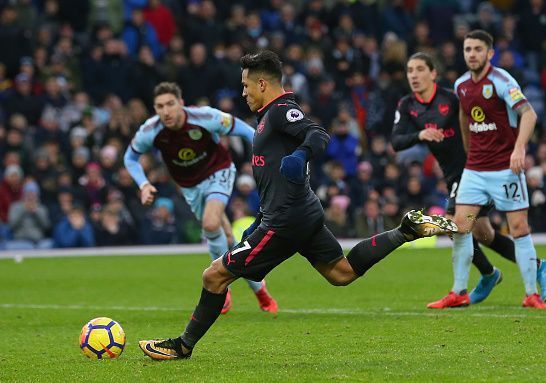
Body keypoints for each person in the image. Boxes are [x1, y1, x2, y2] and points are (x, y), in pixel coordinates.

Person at [137, 50, 458, 361]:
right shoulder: (267, 116)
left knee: (213, 276)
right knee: (341, 273)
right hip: (295, 213)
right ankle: (404, 231)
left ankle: (182, 346)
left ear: (263, 84)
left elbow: (317, 133)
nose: (243, 92)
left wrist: (301, 155)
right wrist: (259, 218)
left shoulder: (280, 111)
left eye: (246, 85)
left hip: (284, 222)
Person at [391, 52, 546, 307]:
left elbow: (482, 118)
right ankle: (532, 267)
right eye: (410, 70)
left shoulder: (452, 98)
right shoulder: (406, 105)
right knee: (484, 234)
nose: (413, 75)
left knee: (453, 224)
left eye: (419, 69)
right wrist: (421, 134)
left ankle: (480, 279)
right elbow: (396, 141)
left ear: (433, 73)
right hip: (454, 175)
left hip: (472, 171)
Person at [124, 81, 278, 314]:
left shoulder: (205, 117)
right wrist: (144, 184)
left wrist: (263, 156)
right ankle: (261, 292)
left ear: (181, 103)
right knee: (227, 239)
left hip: (219, 172)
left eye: (170, 104)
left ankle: (221, 288)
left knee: (210, 223)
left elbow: (246, 131)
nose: (165, 111)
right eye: (159, 106)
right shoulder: (150, 130)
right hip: (190, 188)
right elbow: (130, 159)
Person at [435, 30, 546, 309]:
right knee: (461, 227)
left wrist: (519, 149)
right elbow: (465, 116)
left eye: (477, 49)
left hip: (504, 169)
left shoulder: (502, 81)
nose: (472, 54)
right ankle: (458, 291)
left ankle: (530, 294)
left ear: (490, 53)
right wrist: (469, 152)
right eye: (467, 49)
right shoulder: (461, 84)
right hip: (475, 171)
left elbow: (529, 113)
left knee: (519, 227)